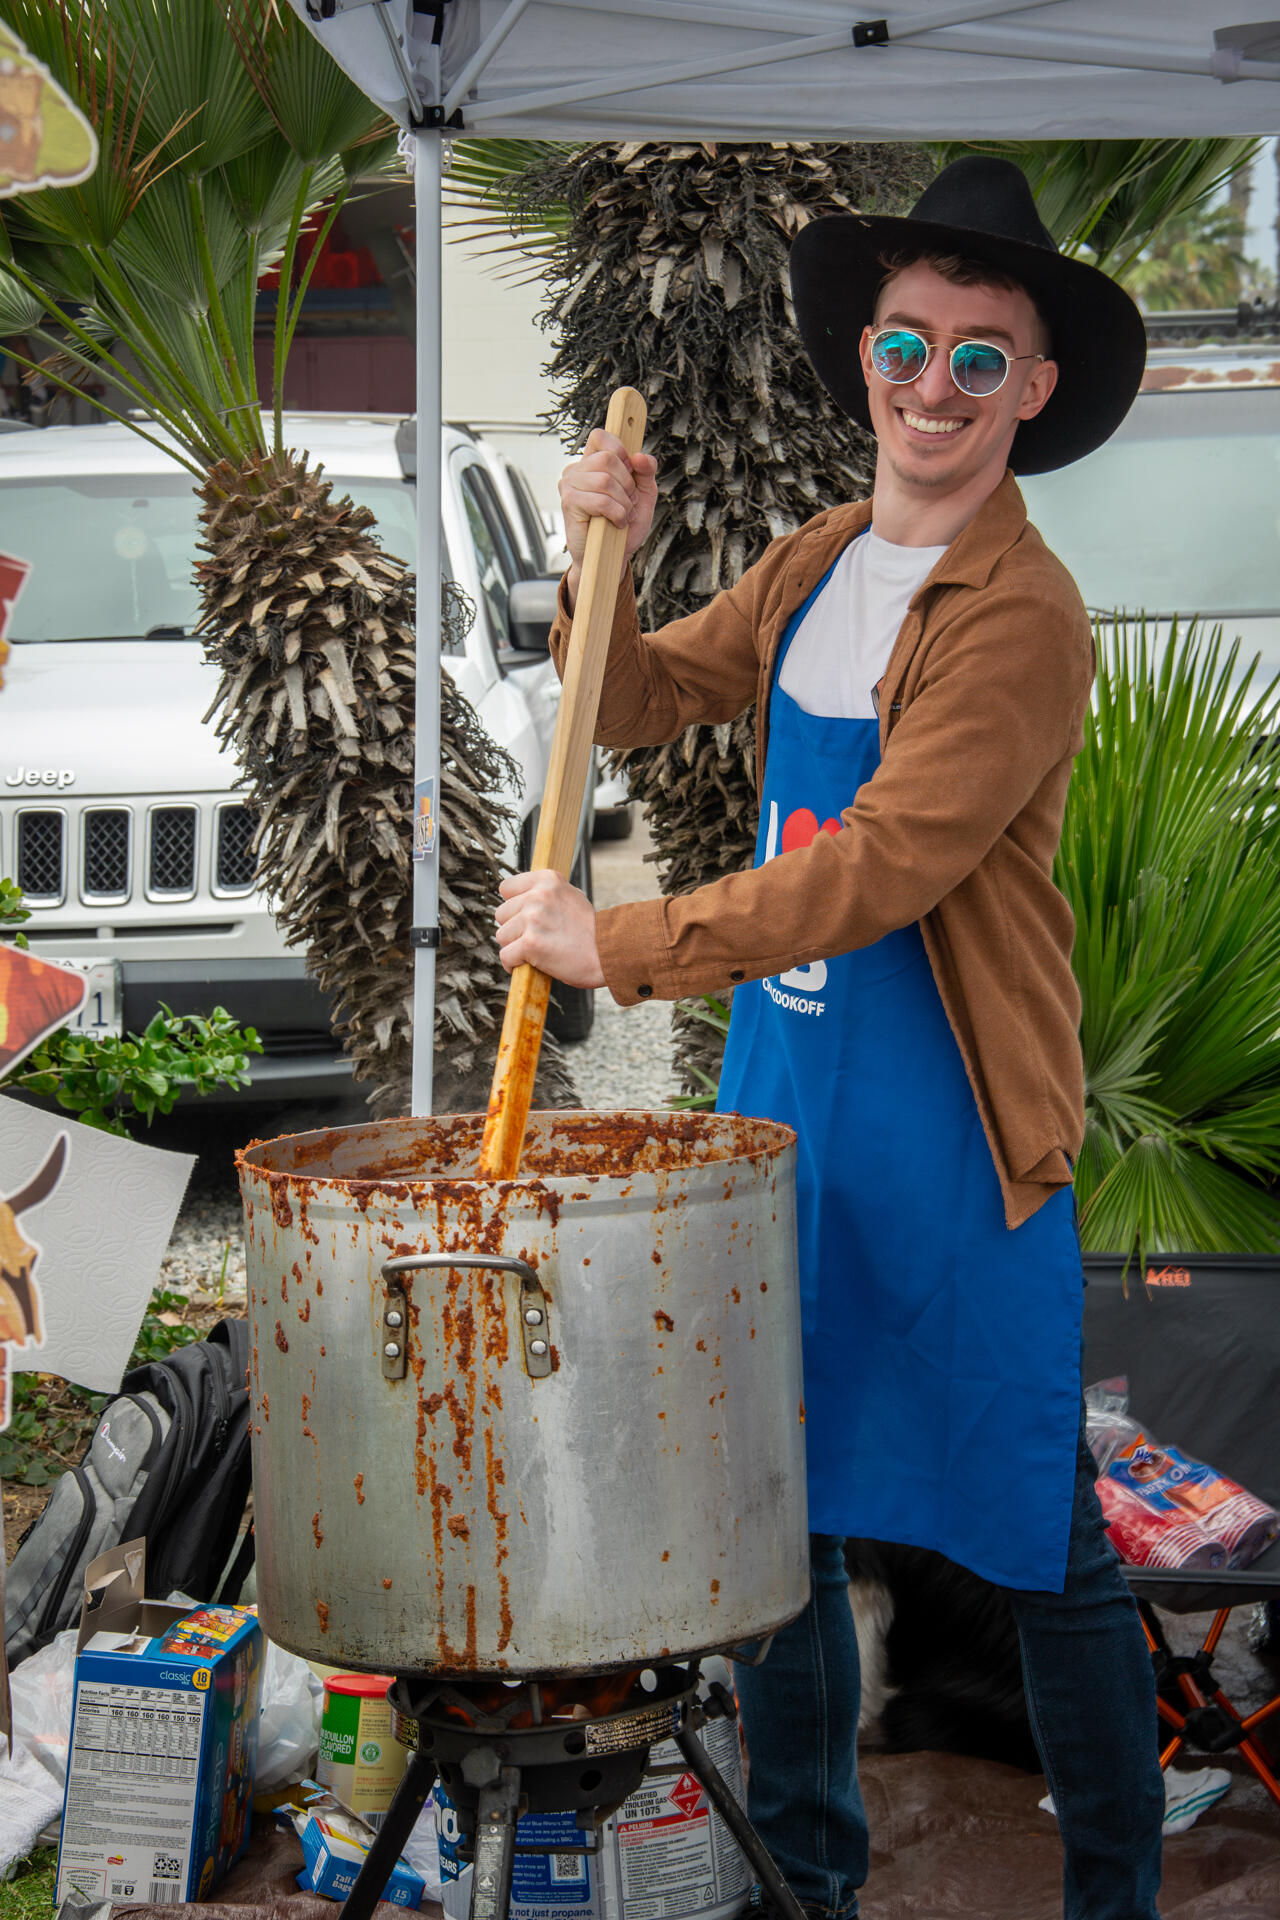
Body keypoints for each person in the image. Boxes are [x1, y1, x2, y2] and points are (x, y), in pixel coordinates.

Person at [495, 156, 1164, 1920]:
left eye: (977, 359)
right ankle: (810, 1882)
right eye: (905, 347)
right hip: (788, 1114)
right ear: (863, 360)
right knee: (775, 1534)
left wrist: (612, 943)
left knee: (1042, 1541)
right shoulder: (821, 559)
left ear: (1031, 391)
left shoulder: (1021, 614)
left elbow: (878, 871)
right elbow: (630, 699)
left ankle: (1115, 1891)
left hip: (951, 1135)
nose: (931, 389)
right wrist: (605, 560)